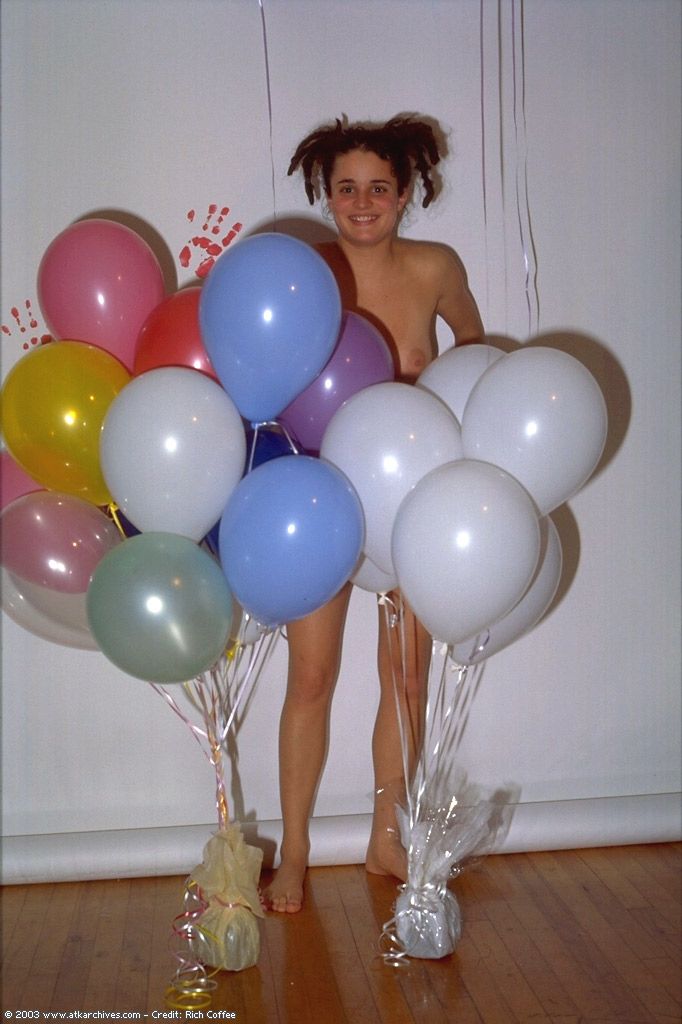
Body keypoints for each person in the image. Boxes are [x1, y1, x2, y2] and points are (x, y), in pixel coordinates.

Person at [263, 115, 483, 913]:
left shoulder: (435, 268)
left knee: (408, 680)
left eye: (379, 188)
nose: (362, 203)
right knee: (312, 678)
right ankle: (293, 854)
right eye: (347, 188)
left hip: (409, 508)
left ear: (405, 192)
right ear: (327, 195)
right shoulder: (307, 271)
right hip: (319, 500)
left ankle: (387, 839)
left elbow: (476, 359)